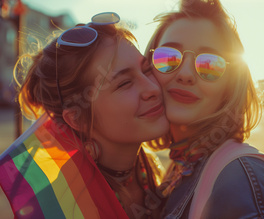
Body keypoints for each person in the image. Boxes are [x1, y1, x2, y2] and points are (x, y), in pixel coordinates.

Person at [144, 1, 264, 218]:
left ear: (231, 84)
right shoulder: (179, 167)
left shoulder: (243, 177)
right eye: (168, 58)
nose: (186, 74)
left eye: (209, 64)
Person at [17, 12, 168, 219]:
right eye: (124, 83)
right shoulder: (63, 210)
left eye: (147, 69)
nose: (152, 88)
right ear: (78, 118)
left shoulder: (154, 170)